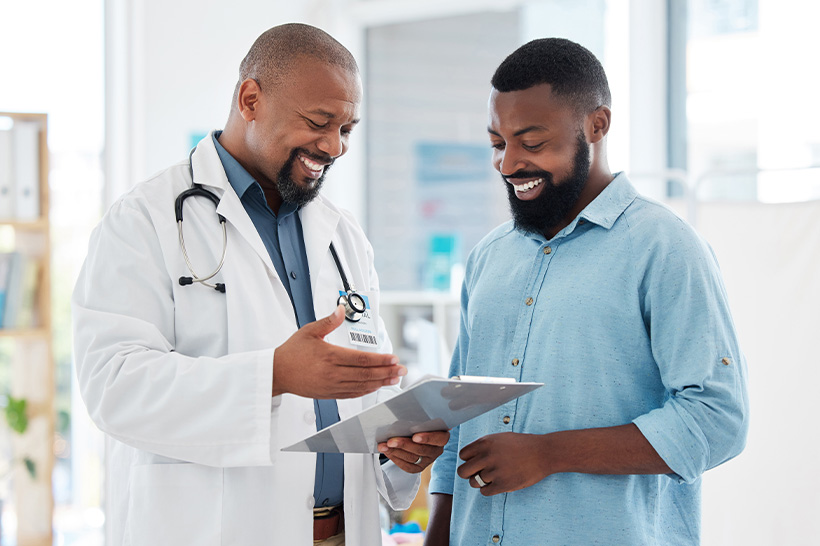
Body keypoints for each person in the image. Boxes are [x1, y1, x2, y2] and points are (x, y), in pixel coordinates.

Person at [72, 23, 448, 546]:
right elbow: (113, 386)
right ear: (251, 98)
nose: (335, 146)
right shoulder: (144, 220)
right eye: (320, 122)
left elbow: (362, 386)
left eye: (347, 129)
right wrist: (272, 375)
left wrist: (399, 446)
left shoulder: (342, 234)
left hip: (344, 532)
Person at [425, 38, 749, 546]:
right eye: (497, 143)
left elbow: (718, 419)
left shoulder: (664, 248)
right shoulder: (489, 256)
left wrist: (549, 453)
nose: (508, 165)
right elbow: (458, 416)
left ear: (597, 125)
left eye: (531, 143)